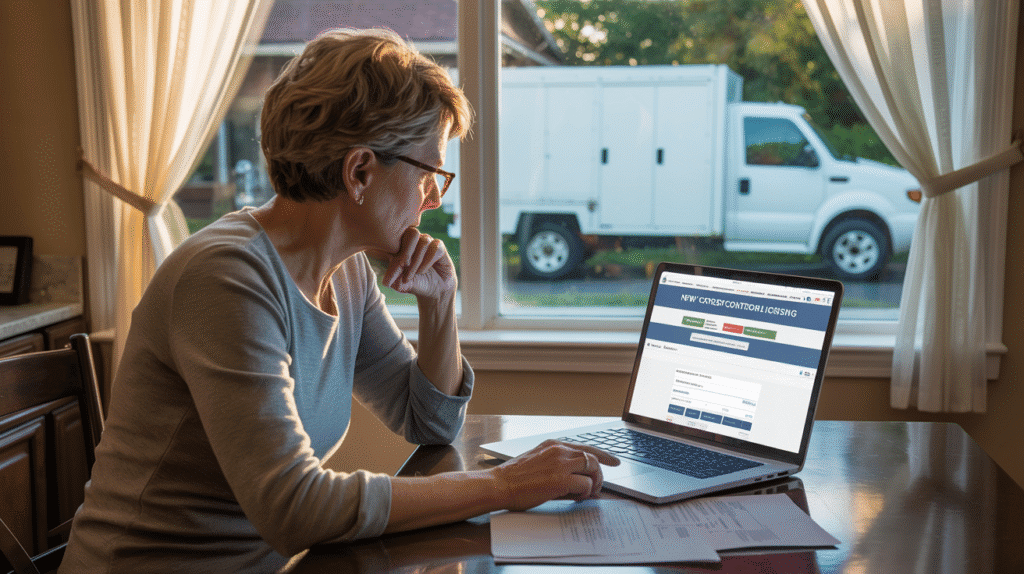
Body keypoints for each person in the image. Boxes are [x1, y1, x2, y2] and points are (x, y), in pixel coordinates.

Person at [59, 28, 618, 573]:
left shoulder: (346, 274)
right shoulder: (226, 278)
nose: (432, 196)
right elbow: (295, 508)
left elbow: (429, 423)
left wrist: (441, 304)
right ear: (359, 171)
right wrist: (500, 486)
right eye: (430, 172)